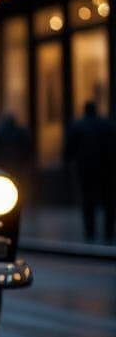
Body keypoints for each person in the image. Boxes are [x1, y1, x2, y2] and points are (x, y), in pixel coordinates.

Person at [64, 101, 116, 242]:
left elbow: (69, 149)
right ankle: (109, 231)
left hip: (87, 169)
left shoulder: (78, 126)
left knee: (88, 201)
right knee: (108, 201)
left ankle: (90, 231)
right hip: (106, 168)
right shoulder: (107, 125)